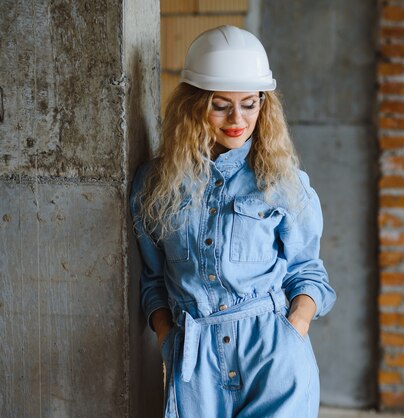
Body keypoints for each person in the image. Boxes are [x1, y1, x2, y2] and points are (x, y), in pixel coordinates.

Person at [130, 25, 336, 417]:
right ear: (194, 105)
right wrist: (166, 335)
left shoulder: (282, 181)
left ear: (264, 103)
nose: (237, 119)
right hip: (195, 364)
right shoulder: (153, 184)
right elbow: (152, 280)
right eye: (220, 104)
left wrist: (296, 328)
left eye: (250, 103)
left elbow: (307, 270)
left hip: (272, 356)